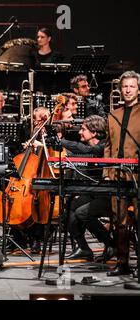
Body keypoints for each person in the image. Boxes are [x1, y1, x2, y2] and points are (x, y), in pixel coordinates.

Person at [103, 70, 140, 276]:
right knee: (119, 223)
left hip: (137, 176)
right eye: (125, 86)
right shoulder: (113, 114)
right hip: (117, 177)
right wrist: (107, 172)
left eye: (131, 86)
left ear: (138, 90)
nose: (127, 90)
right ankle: (122, 263)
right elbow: (107, 146)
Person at [62, 115, 112, 261]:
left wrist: (61, 141)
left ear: (94, 132)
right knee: (70, 207)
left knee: (82, 213)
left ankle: (110, 243)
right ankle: (84, 248)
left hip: (108, 194)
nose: (80, 132)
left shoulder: (104, 145)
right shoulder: (91, 146)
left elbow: (85, 150)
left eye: (83, 129)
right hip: (95, 192)